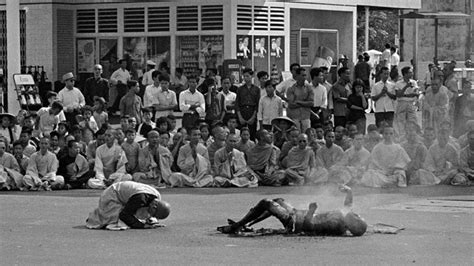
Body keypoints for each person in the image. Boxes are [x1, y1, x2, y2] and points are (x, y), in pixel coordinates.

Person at [217, 184, 367, 237]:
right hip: (297, 213)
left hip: (295, 223)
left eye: (357, 218)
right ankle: (248, 224)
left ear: (352, 225)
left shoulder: (337, 225)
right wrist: (349, 192)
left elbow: (310, 227)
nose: (356, 214)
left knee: (266, 203)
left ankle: (236, 227)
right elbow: (348, 205)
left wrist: (311, 211)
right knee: (278, 201)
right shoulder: (346, 216)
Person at [86, 181, 170, 230]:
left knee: (139, 216)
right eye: (154, 214)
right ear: (154, 206)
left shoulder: (157, 197)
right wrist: (142, 225)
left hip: (126, 197)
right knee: (118, 223)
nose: (152, 215)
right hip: (111, 195)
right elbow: (124, 215)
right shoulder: (140, 199)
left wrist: (151, 220)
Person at [286, 68, 314, 132]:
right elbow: (291, 105)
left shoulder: (309, 88)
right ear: (297, 76)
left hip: (306, 116)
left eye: (305, 75)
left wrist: (298, 102)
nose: (305, 77)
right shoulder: (291, 89)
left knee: (307, 135)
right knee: (296, 135)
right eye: (303, 75)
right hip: (294, 117)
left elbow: (311, 103)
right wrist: (305, 103)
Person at [235, 68, 260, 140]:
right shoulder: (240, 89)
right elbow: (237, 104)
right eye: (244, 76)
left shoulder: (256, 89)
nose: (245, 78)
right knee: (240, 134)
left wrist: (253, 117)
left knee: (252, 135)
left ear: (252, 76)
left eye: (247, 76)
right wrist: (240, 117)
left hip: (252, 112)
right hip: (242, 112)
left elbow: (257, 104)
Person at [394, 66, 419, 136]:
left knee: (412, 121)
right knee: (401, 122)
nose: (412, 74)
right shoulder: (398, 83)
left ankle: (412, 135)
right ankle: (402, 136)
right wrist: (406, 87)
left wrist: (405, 95)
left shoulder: (414, 82)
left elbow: (415, 93)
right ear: (405, 74)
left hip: (411, 103)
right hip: (402, 103)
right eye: (410, 72)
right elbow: (398, 95)